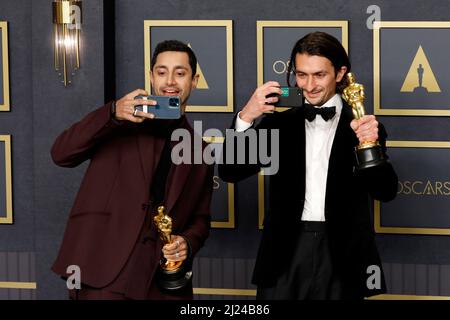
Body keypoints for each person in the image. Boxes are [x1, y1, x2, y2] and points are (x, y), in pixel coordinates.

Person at [218, 32, 398, 300]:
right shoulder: (279, 123)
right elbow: (230, 172)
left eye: (319, 75)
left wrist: (369, 145)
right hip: (284, 250)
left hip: (342, 254)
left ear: (340, 73)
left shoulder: (364, 127)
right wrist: (245, 117)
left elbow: (386, 192)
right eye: (302, 75)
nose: (309, 85)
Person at [51, 40, 214, 300]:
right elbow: (61, 154)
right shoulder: (115, 123)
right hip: (103, 272)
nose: (170, 81)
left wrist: (187, 242)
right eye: (161, 72)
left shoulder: (201, 150)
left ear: (194, 81)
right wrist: (112, 112)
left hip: (162, 283)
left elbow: (201, 220)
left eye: (180, 73)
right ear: (151, 76)